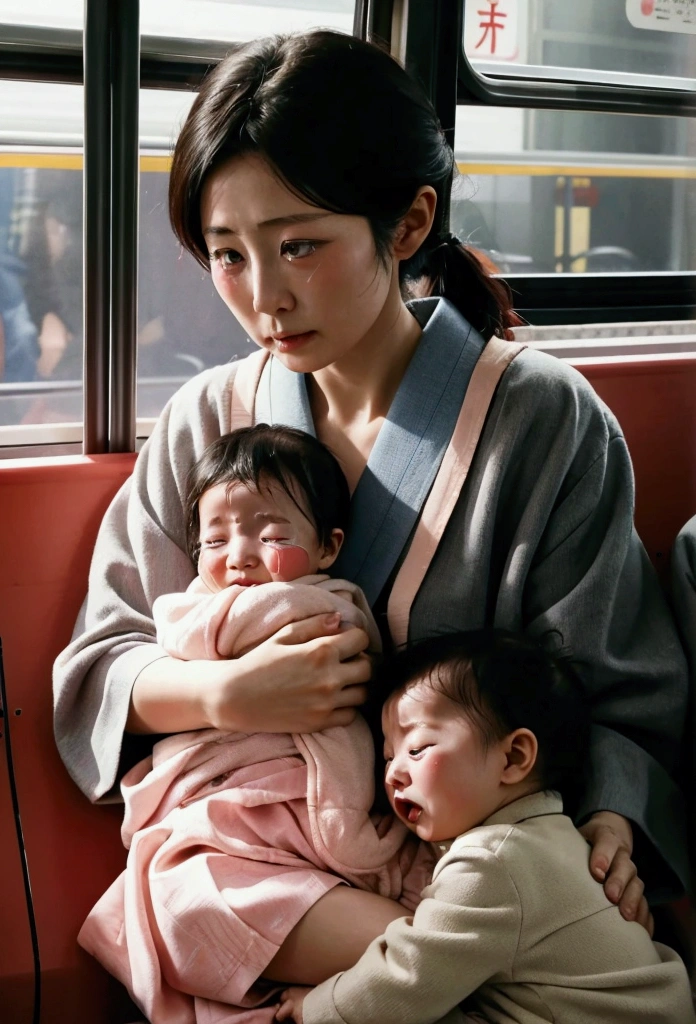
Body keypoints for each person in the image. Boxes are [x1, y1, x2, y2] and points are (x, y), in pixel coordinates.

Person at [53, 26, 689, 1011]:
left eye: (300, 244)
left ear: (406, 224)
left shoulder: (544, 421)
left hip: (473, 863)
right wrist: (233, 693)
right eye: (228, 255)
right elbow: (104, 664)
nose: (265, 297)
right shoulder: (205, 421)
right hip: (277, 871)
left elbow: (617, 693)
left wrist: (614, 817)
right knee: (178, 893)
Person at [77, 424, 431, 1023]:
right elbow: (170, 639)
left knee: (195, 903)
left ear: (328, 547)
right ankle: (419, 957)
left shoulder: (328, 603)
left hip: (306, 816)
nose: (237, 554)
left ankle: (436, 953)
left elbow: (194, 630)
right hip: (230, 824)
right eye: (214, 540)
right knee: (189, 897)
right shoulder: (207, 605)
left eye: (269, 535)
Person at [277, 631, 696, 1024]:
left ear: (513, 757)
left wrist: (315, 1007)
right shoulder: (554, 835)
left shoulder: (493, 862)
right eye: (388, 757)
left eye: (417, 748)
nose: (393, 774)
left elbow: (407, 974)